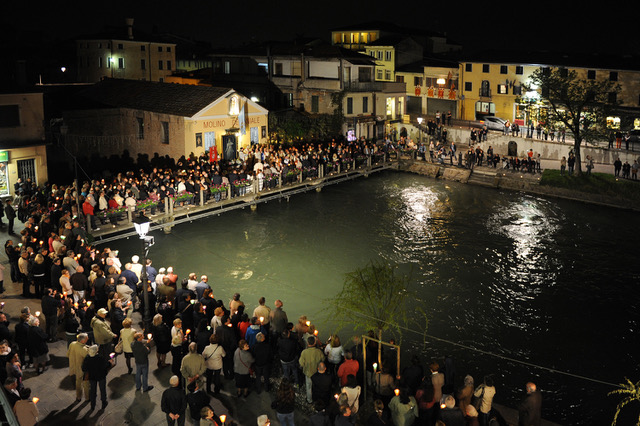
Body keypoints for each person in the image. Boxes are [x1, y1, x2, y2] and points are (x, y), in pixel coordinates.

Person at [82, 344, 114, 411]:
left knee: (93, 390)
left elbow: (83, 368)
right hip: (101, 376)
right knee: (102, 389)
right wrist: (110, 362)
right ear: (96, 351)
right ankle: (103, 402)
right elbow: (106, 365)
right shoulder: (100, 358)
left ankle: (92, 405)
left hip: (92, 377)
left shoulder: (87, 358)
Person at [299, 336, 325, 403]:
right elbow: (323, 359)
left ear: (307, 343)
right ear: (315, 343)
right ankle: (317, 399)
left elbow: (301, 363)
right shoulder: (318, 351)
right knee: (316, 387)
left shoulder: (304, 352)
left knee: (308, 387)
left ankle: (309, 400)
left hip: (308, 373)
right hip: (316, 372)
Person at [67, 332, 90, 401]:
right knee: (86, 383)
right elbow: (88, 360)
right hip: (82, 369)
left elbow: (68, 354)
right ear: (83, 340)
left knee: (78, 383)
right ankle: (87, 397)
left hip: (73, 367)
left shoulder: (72, 344)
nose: (88, 339)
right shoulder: (83, 349)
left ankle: (78, 397)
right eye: (86, 338)